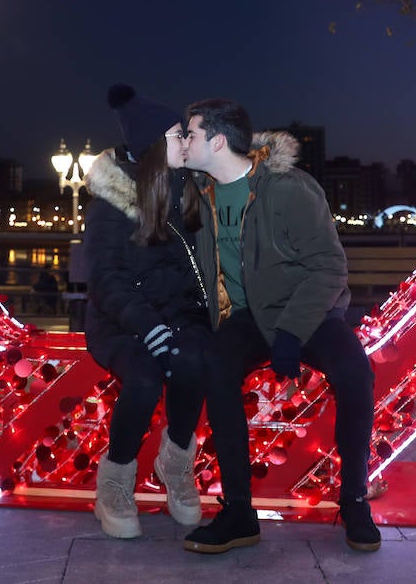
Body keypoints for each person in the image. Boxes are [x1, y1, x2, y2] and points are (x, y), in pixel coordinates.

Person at [180, 98, 381, 554]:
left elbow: (329, 268)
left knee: (354, 372)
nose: (184, 142)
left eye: (190, 134)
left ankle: (352, 501)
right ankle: (238, 513)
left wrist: (291, 333)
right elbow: (157, 176)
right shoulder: (200, 190)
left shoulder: (287, 188)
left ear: (216, 140)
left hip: (305, 310)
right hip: (248, 316)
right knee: (216, 363)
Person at [83, 84, 212, 538]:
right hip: (120, 322)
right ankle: (115, 479)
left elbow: (192, 267)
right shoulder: (111, 204)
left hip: (177, 314)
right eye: (178, 135)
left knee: (194, 362)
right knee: (143, 379)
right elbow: (105, 280)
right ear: (157, 146)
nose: (185, 143)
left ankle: (175, 463)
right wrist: (148, 327)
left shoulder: (187, 191)